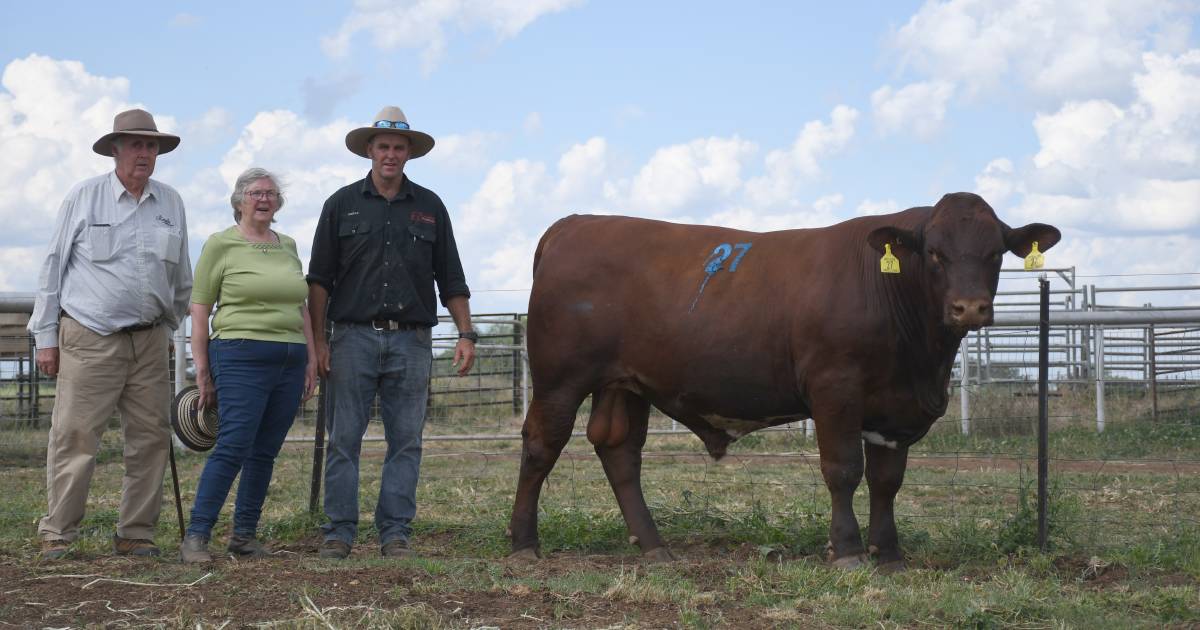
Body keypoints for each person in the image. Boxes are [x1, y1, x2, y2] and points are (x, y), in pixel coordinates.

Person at [307, 106, 476, 559]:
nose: (391, 154)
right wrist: (319, 341)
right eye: (383, 146)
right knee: (345, 438)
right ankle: (339, 532)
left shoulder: (430, 207)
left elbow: (451, 277)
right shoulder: (341, 204)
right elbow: (319, 279)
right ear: (369, 149)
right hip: (353, 337)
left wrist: (466, 333)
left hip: (412, 340)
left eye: (399, 148)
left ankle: (395, 532)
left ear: (409, 154)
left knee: (406, 440)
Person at [29, 109, 192, 560]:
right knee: (76, 436)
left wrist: (167, 323)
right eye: (136, 144)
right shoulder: (84, 197)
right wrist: (46, 337)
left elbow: (182, 276)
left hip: (149, 340)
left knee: (151, 438)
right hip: (89, 336)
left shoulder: (171, 203)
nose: (144, 153)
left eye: (151, 146)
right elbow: (53, 267)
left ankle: (136, 533)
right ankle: (58, 533)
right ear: (116, 148)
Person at [179, 168, 318, 563]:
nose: (264, 199)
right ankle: (197, 536)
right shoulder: (220, 245)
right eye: (256, 193)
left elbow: (301, 306)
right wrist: (202, 368)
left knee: (265, 451)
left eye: (271, 194)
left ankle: (244, 535)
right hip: (240, 353)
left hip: (289, 357)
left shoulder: (287, 244)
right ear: (239, 200)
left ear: (278, 203)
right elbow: (201, 310)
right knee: (234, 444)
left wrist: (309, 357)